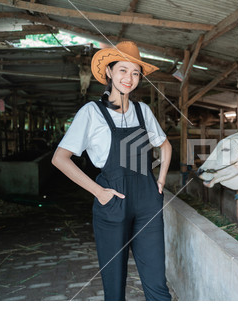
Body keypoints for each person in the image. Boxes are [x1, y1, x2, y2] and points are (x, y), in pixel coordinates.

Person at [52, 41, 172, 301]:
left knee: (158, 286)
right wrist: (98, 191)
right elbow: (60, 158)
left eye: (135, 73)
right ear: (108, 72)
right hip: (112, 204)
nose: (129, 78)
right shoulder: (91, 113)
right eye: (122, 70)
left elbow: (165, 145)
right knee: (114, 288)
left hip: (148, 205)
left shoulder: (143, 111)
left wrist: (160, 181)